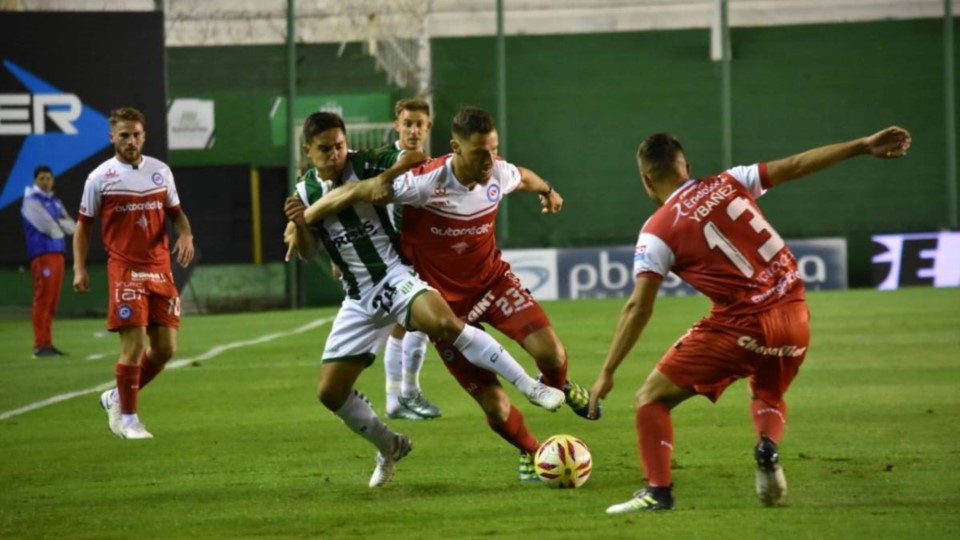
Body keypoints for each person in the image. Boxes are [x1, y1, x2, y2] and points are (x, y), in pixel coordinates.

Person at [588, 126, 912, 513]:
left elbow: (638, 307)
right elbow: (795, 165)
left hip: (740, 326)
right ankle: (767, 448)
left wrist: (607, 371)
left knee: (650, 399)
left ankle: (658, 492)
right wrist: (860, 146)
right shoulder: (732, 181)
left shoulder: (656, 232)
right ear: (686, 166)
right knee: (769, 393)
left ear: (645, 178)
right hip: (796, 316)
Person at [299, 106, 600, 482]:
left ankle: (552, 387)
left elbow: (522, 177)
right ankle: (532, 452)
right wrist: (306, 222)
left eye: (494, 150)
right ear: (456, 147)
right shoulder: (424, 184)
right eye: (479, 153)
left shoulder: (498, 173)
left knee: (553, 354)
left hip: (492, 283)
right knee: (496, 406)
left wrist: (549, 191)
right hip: (439, 296)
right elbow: (367, 192)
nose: (489, 160)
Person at [73, 107, 195, 440]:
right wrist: (79, 267)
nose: (131, 141)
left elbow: (177, 215)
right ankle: (127, 419)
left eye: (136, 134)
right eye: (124, 135)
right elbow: (83, 227)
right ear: (112, 137)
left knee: (166, 348)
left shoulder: (160, 172)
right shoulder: (100, 178)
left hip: (160, 271)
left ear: (144, 136)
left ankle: (116, 395)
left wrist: (186, 234)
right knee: (134, 344)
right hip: (125, 269)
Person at [381, 97, 440, 421]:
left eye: (419, 124)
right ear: (397, 125)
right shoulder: (385, 161)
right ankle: (405, 394)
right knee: (411, 325)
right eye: (408, 124)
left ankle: (399, 397)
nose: (414, 130)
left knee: (409, 326)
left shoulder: (429, 163)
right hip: (393, 256)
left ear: (428, 127)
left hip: (420, 254)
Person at [21, 165, 76, 358]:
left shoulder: (55, 201)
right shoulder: (31, 200)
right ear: (35, 180)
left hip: (57, 252)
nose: (45, 181)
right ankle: (40, 344)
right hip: (42, 253)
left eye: (48, 178)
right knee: (43, 298)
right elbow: (47, 227)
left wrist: (59, 224)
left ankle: (47, 343)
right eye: (41, 178)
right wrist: (60, 224)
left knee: (51, 301)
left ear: (53, 180)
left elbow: (72, 227)